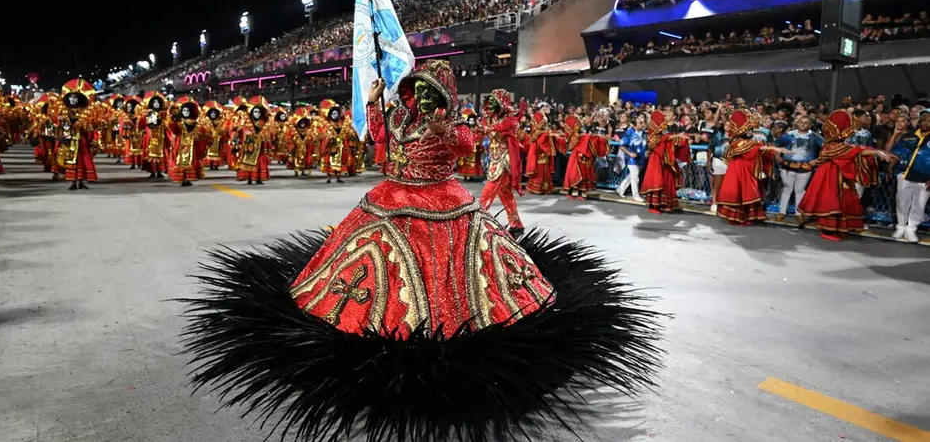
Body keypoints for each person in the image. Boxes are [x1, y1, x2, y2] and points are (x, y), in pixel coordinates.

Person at [180, 61, 663, 442]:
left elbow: (467, 148)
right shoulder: (402, 118)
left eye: (429, 94)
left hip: (443, 199)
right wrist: (372, 105)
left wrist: (444, 128)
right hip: (392, 196)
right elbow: (382, 142)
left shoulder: (452, 124)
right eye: (417, 93)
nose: (420, 101)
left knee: (452, 276)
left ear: (442, 97)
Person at [797, 110, 895, 241]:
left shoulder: (837, 145)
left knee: (843, 200)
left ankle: (840, 227)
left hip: (839, 177)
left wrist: (878, 151)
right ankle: (829, 229)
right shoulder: (831, 146)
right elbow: (854, 151)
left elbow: (855, 149)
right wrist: (876, 152)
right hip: (830, 178)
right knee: (831, 202)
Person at [715, 109, 786, 225]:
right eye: (749, 130)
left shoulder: (748, 141)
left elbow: (757, 148)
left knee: (747, 192)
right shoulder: (737, 142)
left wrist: (772, 149)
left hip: (748, 169)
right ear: (742, 131)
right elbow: (754, 148)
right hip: (739, 170)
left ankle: (746, 217)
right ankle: (738, 217)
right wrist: (772, 148)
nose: (751, 131)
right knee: (741, 192)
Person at [479, 89, 527, 237]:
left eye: (494, 102)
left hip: (502, 163)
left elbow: (506, 126)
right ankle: (516, 225)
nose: (491, 105)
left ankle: (475, 223)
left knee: (487, 195)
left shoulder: (509, 120)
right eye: (490, 102)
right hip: (494, 160)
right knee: (505, 195)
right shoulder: (492, 119)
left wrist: (489, 128)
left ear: (502, 103)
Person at [887, 108, 930, 243]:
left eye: (928, 120)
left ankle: (911, 229)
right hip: (904, 174)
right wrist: (890, 168)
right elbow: (897, 153)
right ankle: (900, 226)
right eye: (923, 120)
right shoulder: (909, 136)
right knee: (902, 202)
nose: (925, 123)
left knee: (919, 205)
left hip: (925, 178)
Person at [641, 110, 690, 213]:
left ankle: (666, 204)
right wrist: (677, 136)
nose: (665, 118)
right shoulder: (654, 134)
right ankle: (655, 205)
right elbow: (662, 140)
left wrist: (680, 139)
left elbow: (667, 140)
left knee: (667, 180)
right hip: (657, 159)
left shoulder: (664, 129)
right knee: (657, 180)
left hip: (666, 158)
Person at [775, 115, 823, 222]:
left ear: (810, 125)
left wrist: (817, 160)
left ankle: (798, 213)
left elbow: (826, 150)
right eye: (800, 122)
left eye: (805, 122)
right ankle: (782, 212)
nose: (802, 124)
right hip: (787, 167)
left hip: (805, 169)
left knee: (800, 190)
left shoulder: (816, 137)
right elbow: (776, 145)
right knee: (787, 189)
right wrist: (778, 156)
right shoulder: (789, 135)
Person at [56, 79, 100, 191]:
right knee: (70, 160)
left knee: (81, 160)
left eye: (75, 97)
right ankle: (72, 181)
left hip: (81, 140)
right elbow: (58, 128)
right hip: (68, 140)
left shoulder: (85, 112)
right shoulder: (63, 112)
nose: (73, 99)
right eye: (71, 97)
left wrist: (89, 135)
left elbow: (90, 128)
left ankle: (80, 181)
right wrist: (60, 137)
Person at [168, 97, 208, 187]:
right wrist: (173, 121)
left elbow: (203, 135)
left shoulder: (197, 125)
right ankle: (183, 178)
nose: (185, 113)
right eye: (184, 111)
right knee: (180, 163)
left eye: (187, 111)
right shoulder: (179, 123)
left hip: (192, 148)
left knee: (191, 163)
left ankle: (187, 178)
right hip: (180, 147)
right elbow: (174, 129)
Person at [235, 96, 271, 185]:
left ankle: (259, 178)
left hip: (260, 147)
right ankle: (249, 178)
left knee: (260, 161)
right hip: (249, 147)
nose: (257, 113)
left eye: (258, 112)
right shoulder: (246, 121)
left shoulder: (264, 122)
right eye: (255, 111)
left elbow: (267, 135)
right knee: (249, 161)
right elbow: (238, 130)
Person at [616, 114, 648, 202]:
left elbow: (646, 145)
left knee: (632, 176)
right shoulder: (629, 132)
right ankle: (636, 195)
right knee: (635, 176)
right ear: (636, 123)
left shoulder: (645, 134)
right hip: (632, 158)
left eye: (643, 122)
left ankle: (620, 189)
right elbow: (622, 145)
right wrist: (629, 153)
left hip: (641, 158)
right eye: (641, 122)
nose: (643, 124)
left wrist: (647, 152)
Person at [200, 101, 228, 171]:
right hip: (209, 139)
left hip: (217, 139)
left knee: (217, 152)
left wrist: (220, 133)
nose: (213, 114)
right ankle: (210, 164)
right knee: (208, 152)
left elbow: (223, 129)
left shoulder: (219, 121)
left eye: (214, 113)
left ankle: (216, 164)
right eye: (212, 113)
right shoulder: (206, 121)